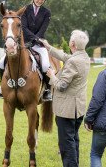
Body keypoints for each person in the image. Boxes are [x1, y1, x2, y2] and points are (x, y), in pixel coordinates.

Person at [40, 30, 90, 167]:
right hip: (78, 109)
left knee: (66, 146)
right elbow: (64, 56)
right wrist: (48, 47)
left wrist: (51, 75)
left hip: (67, 111)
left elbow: (61, 86)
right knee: (73, 140)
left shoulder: (73, 62)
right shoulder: (84, 57)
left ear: (72, 43)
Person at [0, 0, 52, 101]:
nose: (40, 0)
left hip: (38, 44)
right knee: (2, 62)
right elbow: (24, 28)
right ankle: (1, 88)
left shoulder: (47, 12)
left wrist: (37, 39)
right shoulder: (24, 10)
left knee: (46, 64)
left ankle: (47, 89)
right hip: (23, 43)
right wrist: (32, 39)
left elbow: (43, 29)